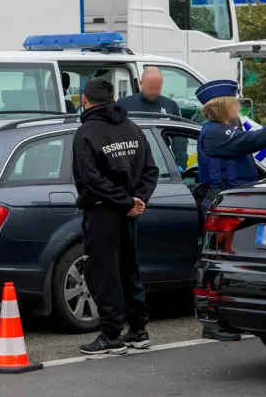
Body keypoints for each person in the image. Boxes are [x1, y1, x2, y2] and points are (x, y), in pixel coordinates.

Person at [194, 80, 266, 341]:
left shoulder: (227, 129)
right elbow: (252, 140)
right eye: (233, 102)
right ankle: (213, 321)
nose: (238, 106)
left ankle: (229, 317)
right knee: (217, 265)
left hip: (234, 204)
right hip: (221, 205)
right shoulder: (214, 132)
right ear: (222, 106)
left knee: (234, 263)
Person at [73, 78, 159, 355]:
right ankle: (138, 329)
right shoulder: (132, 128)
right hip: (129, 211)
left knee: (104, 272)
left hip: (103, 210)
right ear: (113, 98)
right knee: (129, 269)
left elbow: (91, 179)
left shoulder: (86, 132)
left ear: (85, 100)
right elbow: (150, 170)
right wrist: (137, 200)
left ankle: (111, 336)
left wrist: (124, 202)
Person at [118, 67, 188, 169]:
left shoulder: (170, 106)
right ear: (141, 83)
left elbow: (179, 138)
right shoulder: (124, 105)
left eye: (157, 87)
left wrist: (180, 164)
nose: (154, 91)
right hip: (132, 165)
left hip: (161, 165)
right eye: (151, 87)